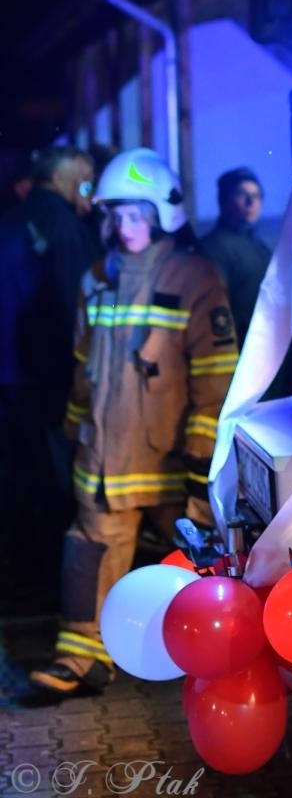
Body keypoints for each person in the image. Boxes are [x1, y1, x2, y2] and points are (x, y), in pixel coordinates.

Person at [29, 148, 238, 697]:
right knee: (90, 551)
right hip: (104, 459)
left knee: (199, 558)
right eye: (117, 216)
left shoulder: (194, 278)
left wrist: (203, 452)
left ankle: (222, 652)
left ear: (162, 214)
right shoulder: (95, 280)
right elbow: (83, 369)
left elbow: (218, 374)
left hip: (173, 457)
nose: (126, 228)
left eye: (136, 216)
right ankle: (81, 658)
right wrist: (78, 434)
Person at [0, 145, 97, 613]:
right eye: (85, 181)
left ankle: (20, 578)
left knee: (18, 480)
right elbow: (72, 310)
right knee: (56, 486)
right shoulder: (61, 226)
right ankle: (55, 590)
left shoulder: (15, 220)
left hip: (11, 378)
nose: (90, 193)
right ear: (63, 178)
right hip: (45, 381)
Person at [199, 167, 271, 348]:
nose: (251, 202)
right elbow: (213, 309)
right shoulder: (212, 248)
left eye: (257, 196)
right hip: (238, 352)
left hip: (266, 349)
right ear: (224, 201)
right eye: (242, 195)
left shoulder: (261, 248)